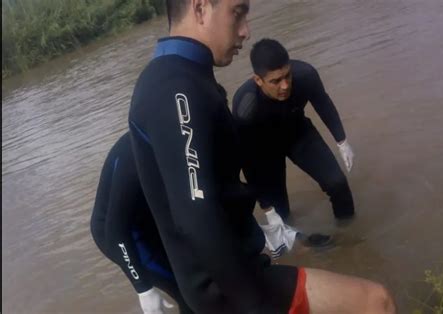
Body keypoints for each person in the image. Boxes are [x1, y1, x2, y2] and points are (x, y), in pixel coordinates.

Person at [128, 0, 396, 313]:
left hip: (231, 277)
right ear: (200, 8)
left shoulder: (175, 77)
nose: (246, 30)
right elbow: (195, 218)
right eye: (237, 12)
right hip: (234, 287)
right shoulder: (177, 89)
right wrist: (253, 303)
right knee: (377, 302)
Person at [232, 38, 356, 225]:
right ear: (258, 80)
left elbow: (323, 104)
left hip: (298, 133)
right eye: (275, 81)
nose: (285, 86)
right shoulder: (246, 106)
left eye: (287, 76)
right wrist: (266, 207)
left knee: (338, 183)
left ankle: (350, 233)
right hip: (264, 150)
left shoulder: (305, 75)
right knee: (281, 214)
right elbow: (247, 160)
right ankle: (298, 246)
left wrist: (342, 141)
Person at [90, 133, 193, 314]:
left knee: (199, 272)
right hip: (120, 234)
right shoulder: (135, 155)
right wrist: (143, 288)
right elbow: (115, 231)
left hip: (148, 217)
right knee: (186, 289)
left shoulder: (184, 134)